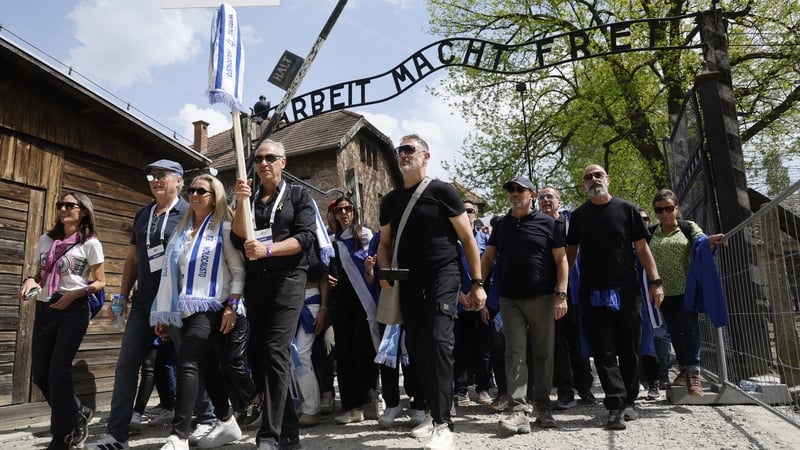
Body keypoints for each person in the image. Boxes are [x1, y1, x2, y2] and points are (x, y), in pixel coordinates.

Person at [89, 160, 216, 450]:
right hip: (144, 302)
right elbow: (133, 258)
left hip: (178, 302)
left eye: (162, 175)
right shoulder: (143, 214)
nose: (155, 180)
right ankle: (117, 435)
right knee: (126, 364)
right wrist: (122, 295)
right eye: (152, 176)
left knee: (188, 362)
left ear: (179, 181)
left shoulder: (189, 211)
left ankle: (207, 418)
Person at [377, 134, 486, 450]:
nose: (403, 154)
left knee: (438, 342)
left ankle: (443, 424)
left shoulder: (442, 192)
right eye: (400, 150)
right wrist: (384, 272)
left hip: (443, 276)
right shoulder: (391, 201)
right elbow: (384, 244)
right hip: (408, 282)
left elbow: (467, 239)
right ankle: (430, 412)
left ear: (426, 156)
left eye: (409, 149)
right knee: (418, 348)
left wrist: (477, 284)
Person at [231, 139, 317, 450]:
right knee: (265, 357)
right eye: (258, 159)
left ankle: (269, 436)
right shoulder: (251, 198)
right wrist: (240, 201)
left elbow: (305, 238)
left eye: (270, 157)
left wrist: (268, 250)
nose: (263, 163)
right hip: (257, 283)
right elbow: (238, 237)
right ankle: (289, 435)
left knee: (276, 351)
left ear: (283, 162)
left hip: (289, 279)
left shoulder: (298, 195)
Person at [149, 174, 246, 449]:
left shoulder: (224, 229)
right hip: (182, 308)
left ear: (214, 198)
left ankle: (179, 435)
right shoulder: (180, 233)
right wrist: (164, 313)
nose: (193, 194)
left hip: (212, 305)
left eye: (201, 191)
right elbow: (173, 276)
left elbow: (238, 272)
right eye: (191, 190)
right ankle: (226, 421)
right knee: (206, 366)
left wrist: (232, 305)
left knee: (187, 362)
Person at [566, 164, 664, 431]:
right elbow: (570, 254)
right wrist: (560, 286)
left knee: (629, 350)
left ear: (607, 179)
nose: (594, 179)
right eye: (588, 177)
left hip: (627, 291)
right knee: (604, 351)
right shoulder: (579, 217)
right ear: (584, 185)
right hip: (593, 293)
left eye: (598, 175)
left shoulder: (628, 210)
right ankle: (616, 405)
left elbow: (642, 249)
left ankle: (630, 400)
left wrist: (655, 282)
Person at [479, 177, 568, 433]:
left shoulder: (548, 224)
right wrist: (477, 285)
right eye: (511, 189)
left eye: (520, 189)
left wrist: (561, 294)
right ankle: (519, 410)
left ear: (532, 194)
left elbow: (562, 261)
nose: (514, 193)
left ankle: (543, 406)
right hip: (510, 300)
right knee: (514, 353)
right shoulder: (501, 225)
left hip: (543, 298)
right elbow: (488, 257)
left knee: (543, 354)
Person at [19, 192, 105, 449]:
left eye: (70, 205)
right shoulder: (46, 239)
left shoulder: (90, 243)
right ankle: (78, 411)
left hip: (74, 308)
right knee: (41, 375)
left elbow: (100, 282)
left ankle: (63, 436)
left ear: (83, 211)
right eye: (61, 205)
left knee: (58, 371)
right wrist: (30, 281)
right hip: (45, 308)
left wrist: (74, 295)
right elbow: (38, 274)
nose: (64, 209)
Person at [648, 189, 725, 397]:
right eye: (659, 210)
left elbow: (701, 241)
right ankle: (683, 369)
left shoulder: (688, 227)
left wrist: (710, 240)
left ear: (677, 208)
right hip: (662, 293)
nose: (664, 213)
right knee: (674, 330)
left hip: (686, 289)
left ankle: (693, 372)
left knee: (689, 327)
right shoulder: (651, 233)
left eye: (668, 208)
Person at [538, 187, 595, 410]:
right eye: (541, 197)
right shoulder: (537, 226)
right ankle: (565, 391)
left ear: (559, 201)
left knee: (579, 342)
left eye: (549, 196)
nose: (545, 200)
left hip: (576, 292)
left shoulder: (572, 224)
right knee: (558, 344)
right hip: (549, 294)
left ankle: (585, 388)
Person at [329, 197, 382, 425]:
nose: (344, 213)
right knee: (344, 353)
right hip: (341, 301)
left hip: (363, 300)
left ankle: (372, 399)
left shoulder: (365, 235)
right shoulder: (331, 242)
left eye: (348, 208)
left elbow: (371, 269)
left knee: (364, 350)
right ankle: (352, 406)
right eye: (339, 210)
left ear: (354, 211)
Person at [453, 201, 493, 407]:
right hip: (458, 302)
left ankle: (483, 388)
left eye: (469, 211)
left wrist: (483, 299)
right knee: (458, 349)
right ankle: (460, 391)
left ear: (475, 215)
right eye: (462, 210)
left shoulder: (485, 240)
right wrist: (459, 293)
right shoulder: (451, 240)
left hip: (480, 302)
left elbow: (490, 271)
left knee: (482, 348)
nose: (465, 213)